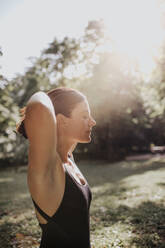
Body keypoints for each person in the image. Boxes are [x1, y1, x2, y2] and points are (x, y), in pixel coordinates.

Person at [16, 87, 96, 248]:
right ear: (61, 120)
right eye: (84, 116)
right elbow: (38, 107)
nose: (93, 121)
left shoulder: (68, 159)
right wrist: (47, 95)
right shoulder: (50, 169)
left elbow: (61, 140)